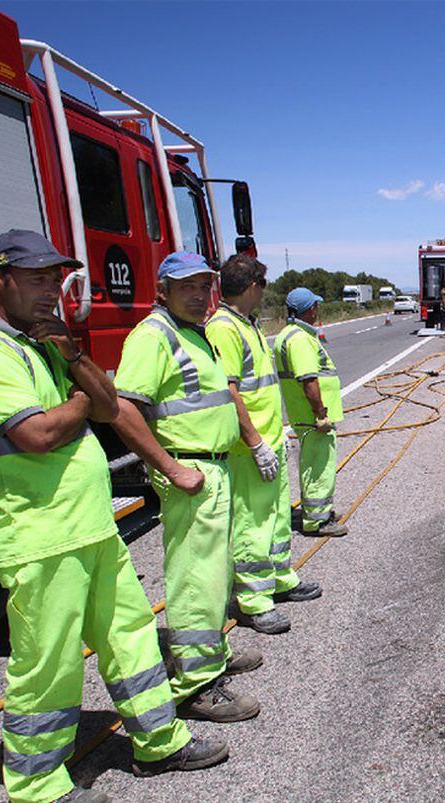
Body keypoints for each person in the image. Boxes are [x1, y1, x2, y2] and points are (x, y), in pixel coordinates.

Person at [0, 231, 225, 803]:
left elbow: (111, 407)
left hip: (90, 526)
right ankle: (37, 785)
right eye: (35, 279)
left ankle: (159, 742)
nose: (50, 291)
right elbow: (38, 434)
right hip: (40, 536)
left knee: (131, 635)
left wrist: (75, 358)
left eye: (55, 279)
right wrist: (85, 391)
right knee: (48, 667)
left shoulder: (45, 342)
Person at [111, 251, 262, 724]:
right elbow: (124, 407)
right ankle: (196, 684)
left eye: (205, 287)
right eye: (187, 288)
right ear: (163, 291)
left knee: (214, 574)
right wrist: (171, 468)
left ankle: (211, 651)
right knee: (196, 579)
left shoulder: (194, 333)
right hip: (192, 472)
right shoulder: (154, 336)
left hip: (213, 470)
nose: (199, 296)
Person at [207, 255, 322, 636]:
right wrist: (254, 442)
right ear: (253, 287)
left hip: (269, 438)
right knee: (252, 523)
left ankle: (279, 578)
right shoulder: (224, 327)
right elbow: (229, 390)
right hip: (248, 447)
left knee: (273, 518)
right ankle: (253, 601)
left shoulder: (246, 324)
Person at [273, 289, 348, 538]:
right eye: (316, 306)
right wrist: (321, 413)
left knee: (313, 465)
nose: (318, 311)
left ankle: (316, 511)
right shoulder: (300, 339)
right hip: (313, 418)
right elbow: (308, 379)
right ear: (310, 308)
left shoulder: (289, 335)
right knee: (319, 467)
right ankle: (317, 520)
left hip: (305, 415)